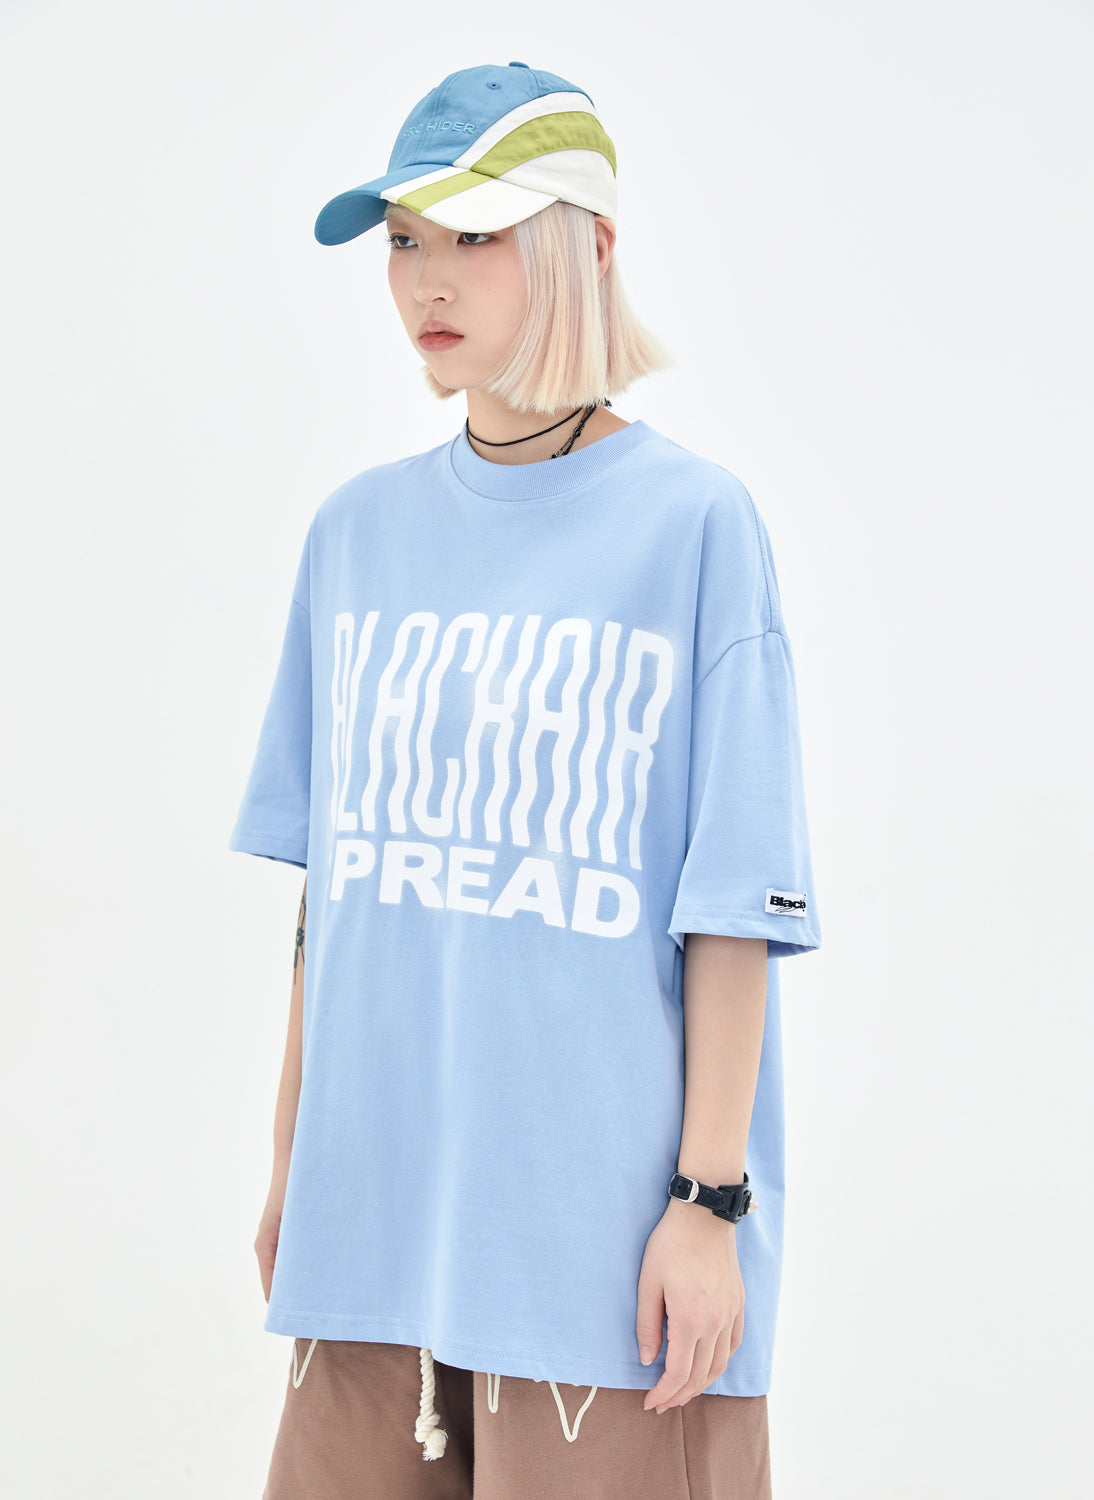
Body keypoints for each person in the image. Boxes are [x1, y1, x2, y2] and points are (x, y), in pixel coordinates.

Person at [228, 60, 822, 1500]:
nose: (427, 280)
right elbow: (332, 897)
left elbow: (732, 903)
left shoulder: (692, 525)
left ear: (586, 246)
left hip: (600, 1256)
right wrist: (293, 1163)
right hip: (373, 1227)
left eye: (475, 234)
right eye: (403, 240)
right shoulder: (355, 535)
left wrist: (708, 1202)